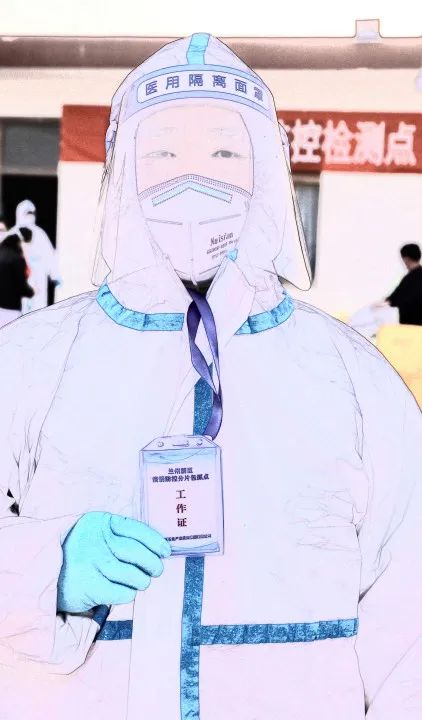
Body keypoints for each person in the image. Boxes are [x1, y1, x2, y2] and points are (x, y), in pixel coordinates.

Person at [0, 33, 420, 720]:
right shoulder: (31, 360)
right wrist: (43, 569)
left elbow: (409, 615)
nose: (192, 181)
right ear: (122, 171)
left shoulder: (350, 377)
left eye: (225, 155)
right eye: (163, 154)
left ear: (267, 175)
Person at [10, 199, 60, 312]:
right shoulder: (13, 234)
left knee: (37, 308)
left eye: (31, 213)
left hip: (38, 276)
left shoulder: (40, 234)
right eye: (27, 213)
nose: (30, 216)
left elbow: (49, 255)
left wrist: (55, 275)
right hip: (19, 277)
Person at [0, 228, 34, 328]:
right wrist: (31, 292)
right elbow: (21, 286)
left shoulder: (2, 253)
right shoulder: (17, 259)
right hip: (11, 308)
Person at [381, 243, 422, 325]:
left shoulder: (410, 278)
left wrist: (387, 302)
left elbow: (397, 297)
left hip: (411, 325)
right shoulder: (412, 276)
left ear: (406, 259)